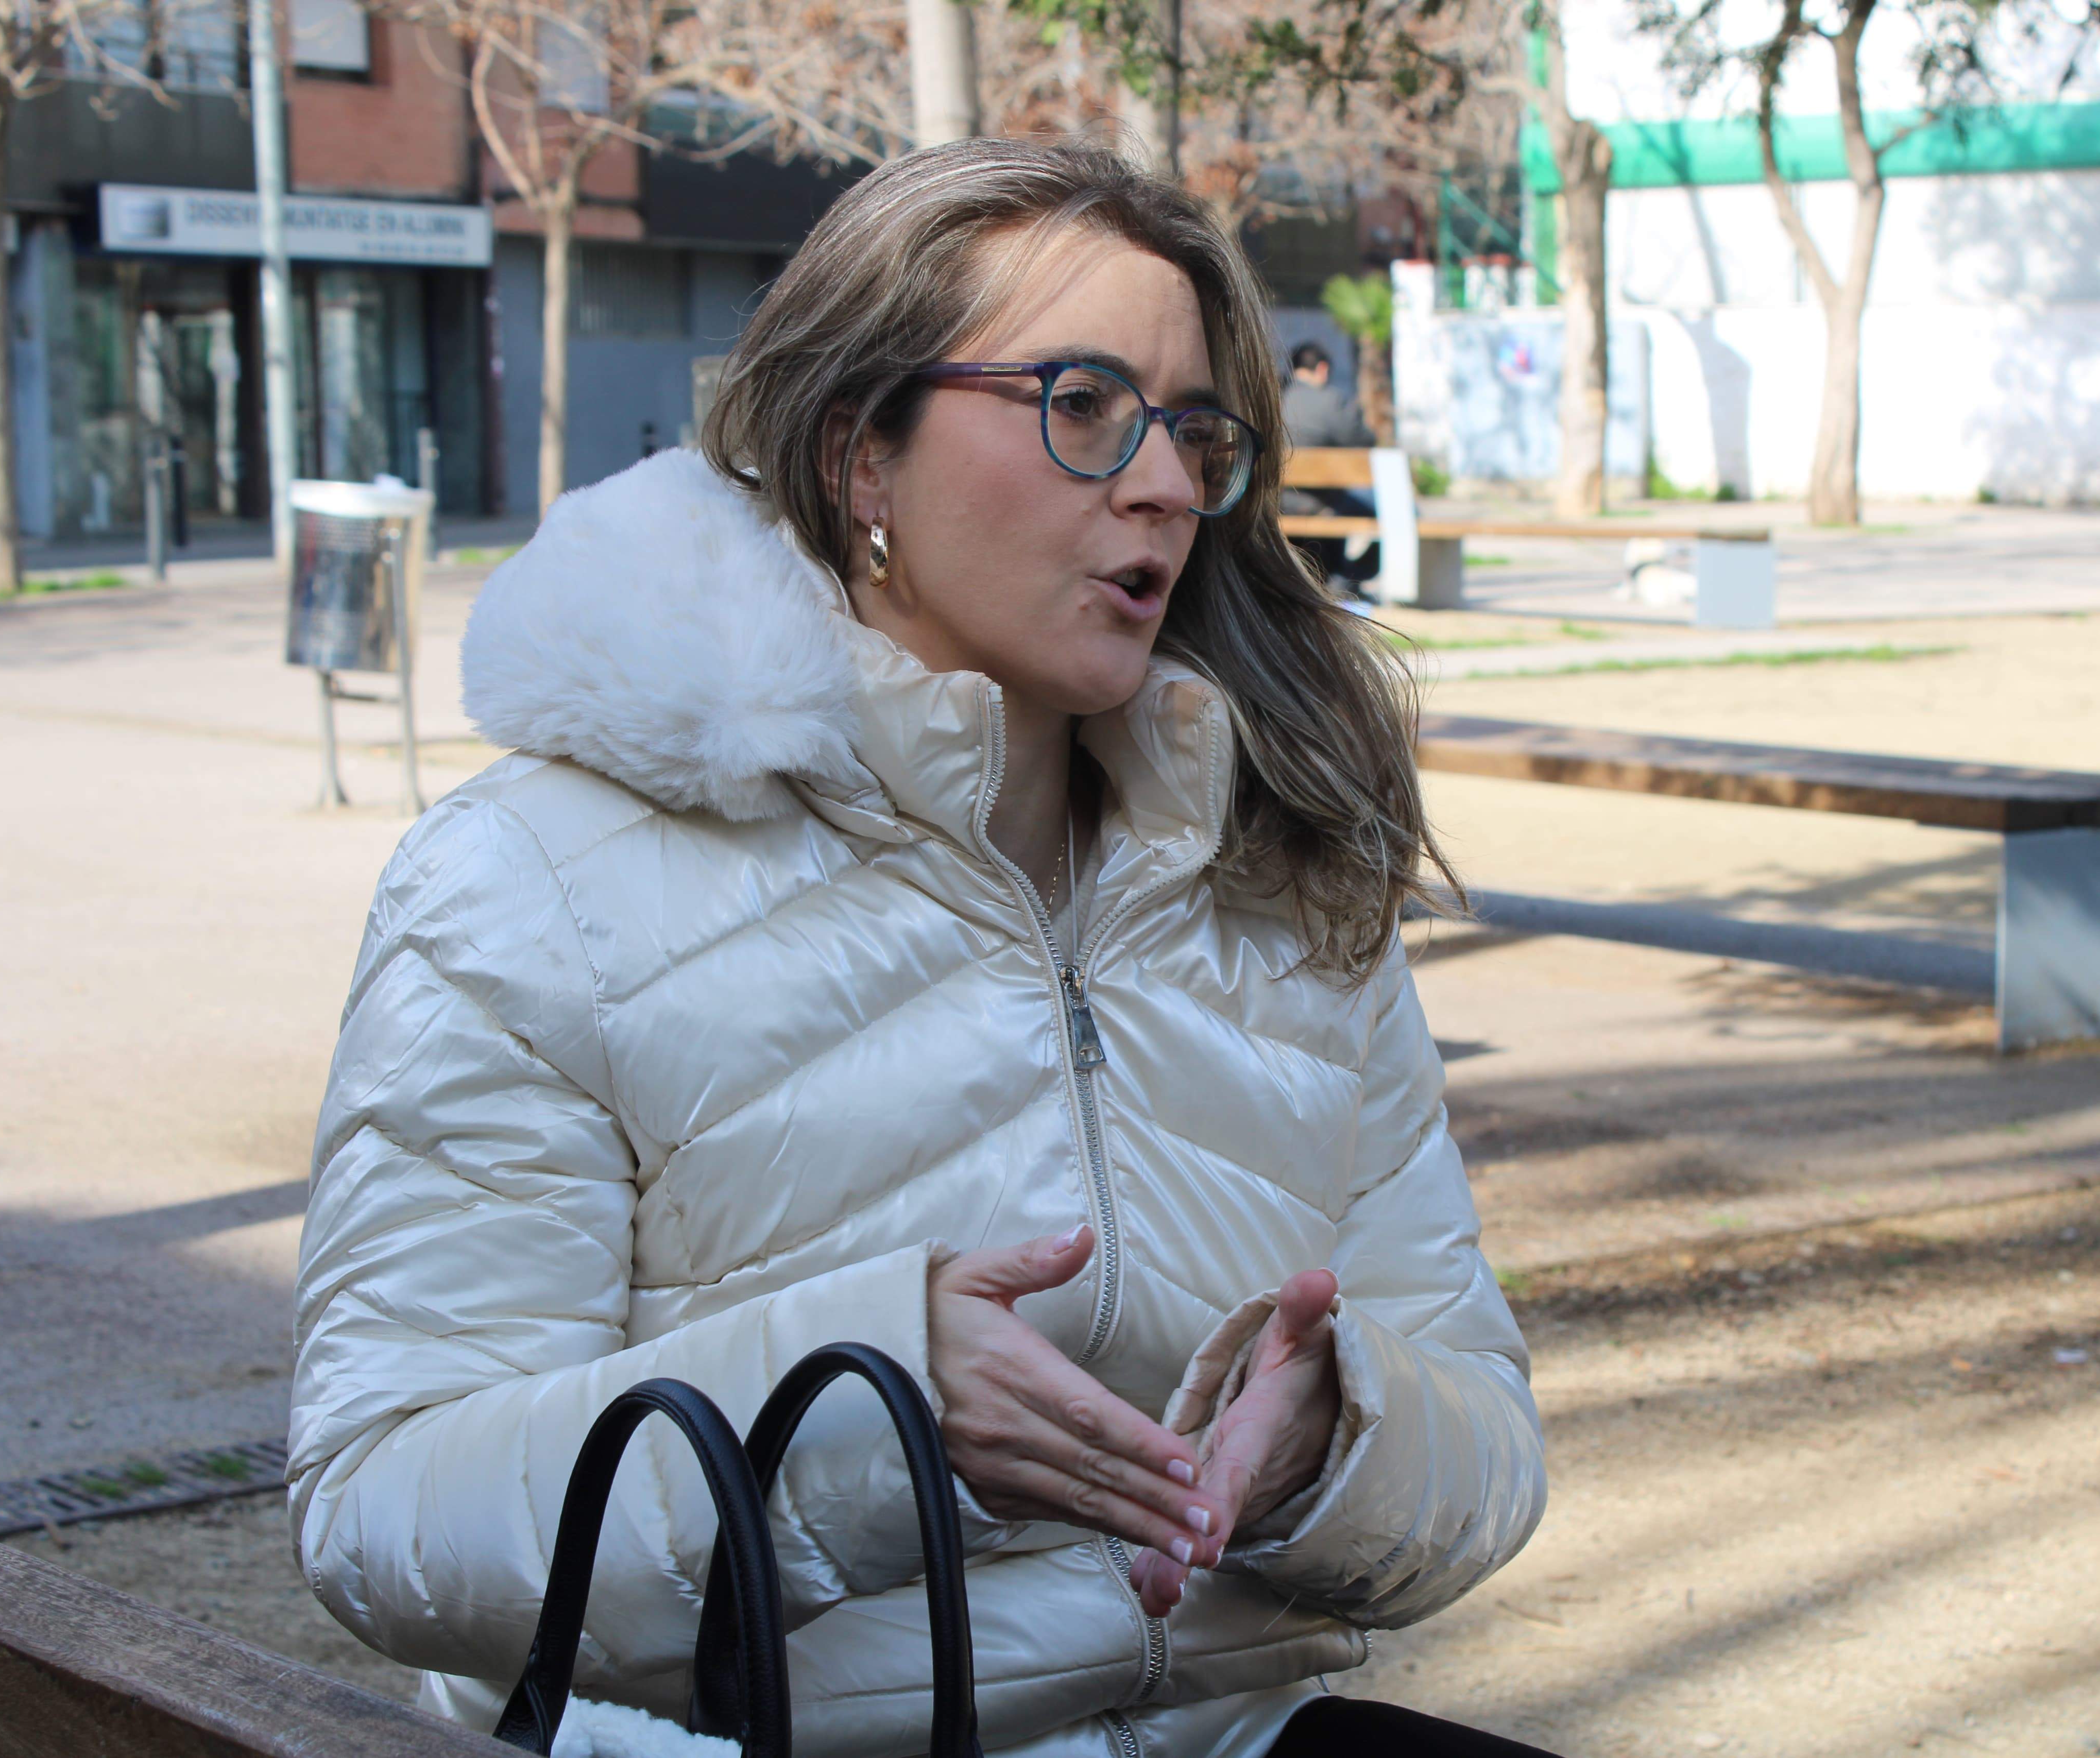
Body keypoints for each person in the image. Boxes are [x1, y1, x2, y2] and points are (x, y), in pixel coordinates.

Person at [286, 136, 1549, 1758]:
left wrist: (1332, 1441)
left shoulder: (1281, 875)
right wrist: (859, 1412)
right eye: (1079, 404)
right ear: (857, 460)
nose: (1160, 479)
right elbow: (383, 1502)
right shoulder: (532, 881)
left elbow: (1486, 1448)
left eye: (1193, 428)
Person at [1277, 343, 1381, 597]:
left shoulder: (1274, 399)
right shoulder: (1331, 401)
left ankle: (1322, 574)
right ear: (1322, 369)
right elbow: (1364, 439)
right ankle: (1345, 575)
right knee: (1375, 509)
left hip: (1276, 501)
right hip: (1319, 503)